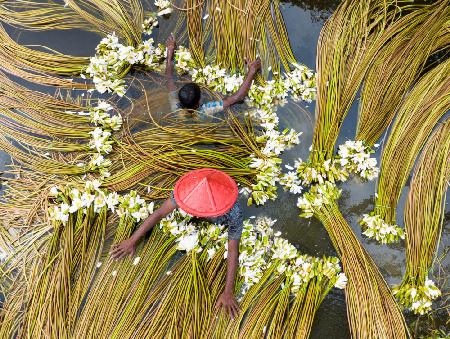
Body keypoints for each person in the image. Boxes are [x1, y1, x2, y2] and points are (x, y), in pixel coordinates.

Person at [111, 168, 243, 319]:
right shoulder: (187, 191)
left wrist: (228, 292)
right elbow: (160, 213)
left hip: (221, 213)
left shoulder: (233, 211)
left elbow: (233, 250)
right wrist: (133, 240)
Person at [165, 34, 261, 116]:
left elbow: (169, 78)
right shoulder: (205, 111)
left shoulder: (176, 107)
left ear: (179, 99)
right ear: (198, 103)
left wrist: (170, 52)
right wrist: (252, 71)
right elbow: (238, 97)